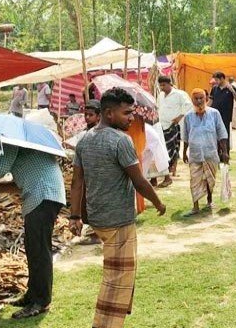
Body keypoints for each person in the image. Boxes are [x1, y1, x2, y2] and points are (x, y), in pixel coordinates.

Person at [69, 88, 166, 328]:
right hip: (118, 222)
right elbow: (139, 180)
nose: (132, 118)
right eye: (127, 113)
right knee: (117, 280)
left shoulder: (84, 139)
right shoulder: (121, 141)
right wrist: (157, 202)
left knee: (119, 276)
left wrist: (75, 216)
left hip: (99, 220)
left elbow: (76, 182)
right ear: (109, 113)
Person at [0, 141, 66, 319]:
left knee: (39, 250)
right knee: (33, 248)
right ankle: (32, 295)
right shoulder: (18, 148)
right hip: (42, 195)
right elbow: (16, 184)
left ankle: (41, 301)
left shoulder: (10, 144)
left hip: (44, 194)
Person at [182, 88, 229, 216]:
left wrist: (224, 152)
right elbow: (185, 136)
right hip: (195, 155)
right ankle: (195, 206)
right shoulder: (188, 116)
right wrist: (184, 151)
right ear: (192, 100)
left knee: (210, 180)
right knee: (195, 180)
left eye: (201, 98)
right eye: (196, 99)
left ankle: (209, 200)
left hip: (211, 153)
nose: (199, 101)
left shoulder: (215, 114)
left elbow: (222, 133)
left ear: (206, 99)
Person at [157, 76, 192, 183]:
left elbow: (188, 105)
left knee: (173, 148)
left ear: (170, 84)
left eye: (164, 85)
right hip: (162, 125)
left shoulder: (179, 94)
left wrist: (180, 116)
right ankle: (167, 171)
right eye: (161, 85)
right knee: (164, 149)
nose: (162, 87)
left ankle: (173, 170)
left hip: (173, 125)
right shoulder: (161, 95)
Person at [208, 71, 236, 143]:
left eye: (217, 80)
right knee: (215, 134)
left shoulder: (231, 87)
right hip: (214, 115)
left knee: (225, 134)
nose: (216, 82)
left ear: (222, 78)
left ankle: (225, 151)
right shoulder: (214, 88)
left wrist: (232, 91)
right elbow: (210, 101)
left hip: (225, 115)